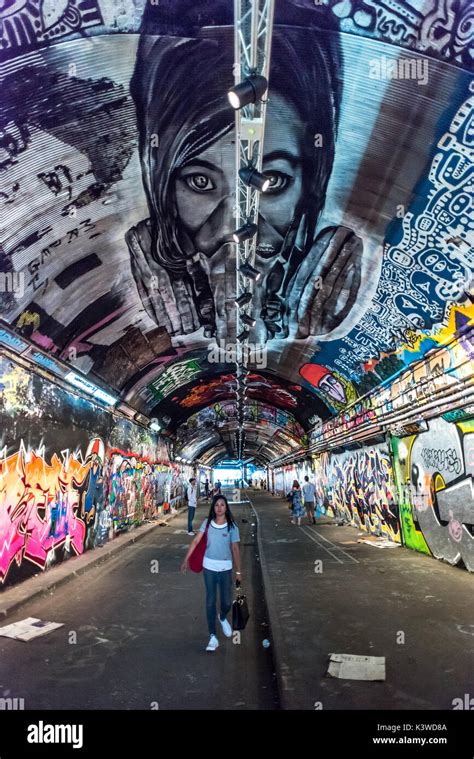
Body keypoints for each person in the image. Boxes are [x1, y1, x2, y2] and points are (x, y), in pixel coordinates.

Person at [181, 495, 241, 651]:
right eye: (216, 505)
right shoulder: (207, 523)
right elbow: (195, 541)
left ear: (226, 507)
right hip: (209, 567)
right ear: (213, 508)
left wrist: (239, 571)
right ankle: (213, 636)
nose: (219, 508)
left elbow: (235, 549)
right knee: (210, 601)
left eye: (222, 505)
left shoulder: (232, 527)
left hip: (226, 568)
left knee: (227, 602)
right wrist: (186, 559)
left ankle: (222, 617)